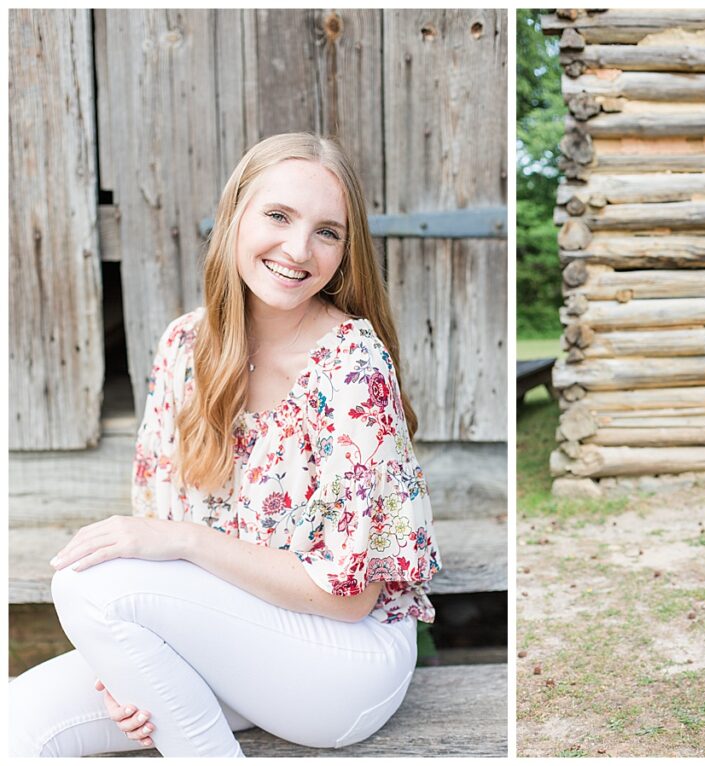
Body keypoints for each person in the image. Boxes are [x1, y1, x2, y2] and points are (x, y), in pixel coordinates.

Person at [9, 133, 442, 757]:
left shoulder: (351, 366)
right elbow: (156, 540)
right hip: (225, 635)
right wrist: (123, 659)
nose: (298, 250)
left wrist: (185, 542)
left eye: (328, 232)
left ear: (346, 254)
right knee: (20, 717)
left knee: (89, 585)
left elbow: (348, 599)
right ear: (235, 213)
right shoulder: (185, 347)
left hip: (344, 661)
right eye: (278, 216)